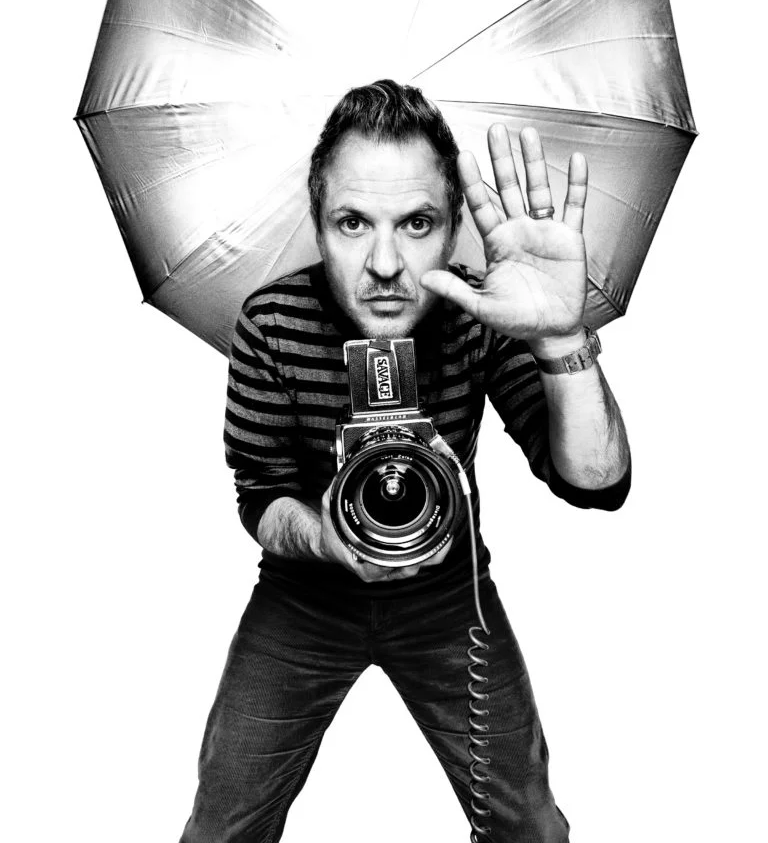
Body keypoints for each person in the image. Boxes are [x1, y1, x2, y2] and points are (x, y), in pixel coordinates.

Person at [180, 80, 631, 843]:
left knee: (530, 828)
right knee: (222, 826)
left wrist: (560, 340)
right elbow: (260, 493)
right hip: (304, 596)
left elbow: (596, 483)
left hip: (449, 595)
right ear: (318, 225)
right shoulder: (270, 321)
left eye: (416, 223)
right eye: (353, 222)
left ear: (453, 228)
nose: (385, 263)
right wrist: (325, 538)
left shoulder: (484, 311)